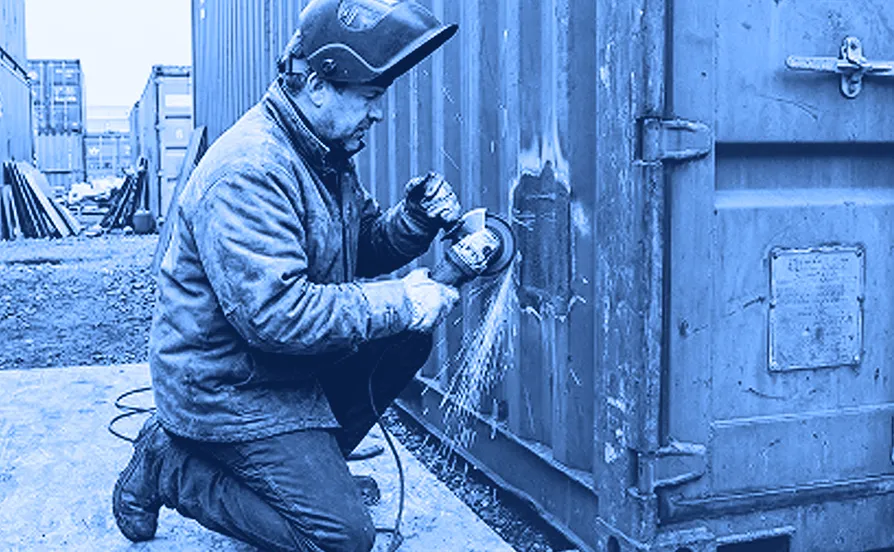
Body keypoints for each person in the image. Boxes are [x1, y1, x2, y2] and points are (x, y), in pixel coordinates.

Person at [112, 1, 461, 550]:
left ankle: (301, 480)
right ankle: (169, 466)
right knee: (339, 539)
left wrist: (413, 221)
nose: (378, 114)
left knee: (406, 337)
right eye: (370, 98)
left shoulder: (321, 151)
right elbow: (276, 316)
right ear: (319, 84)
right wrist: (398, 299)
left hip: (282, 369)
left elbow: (359, 246)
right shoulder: (250, 170)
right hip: (226, 387)